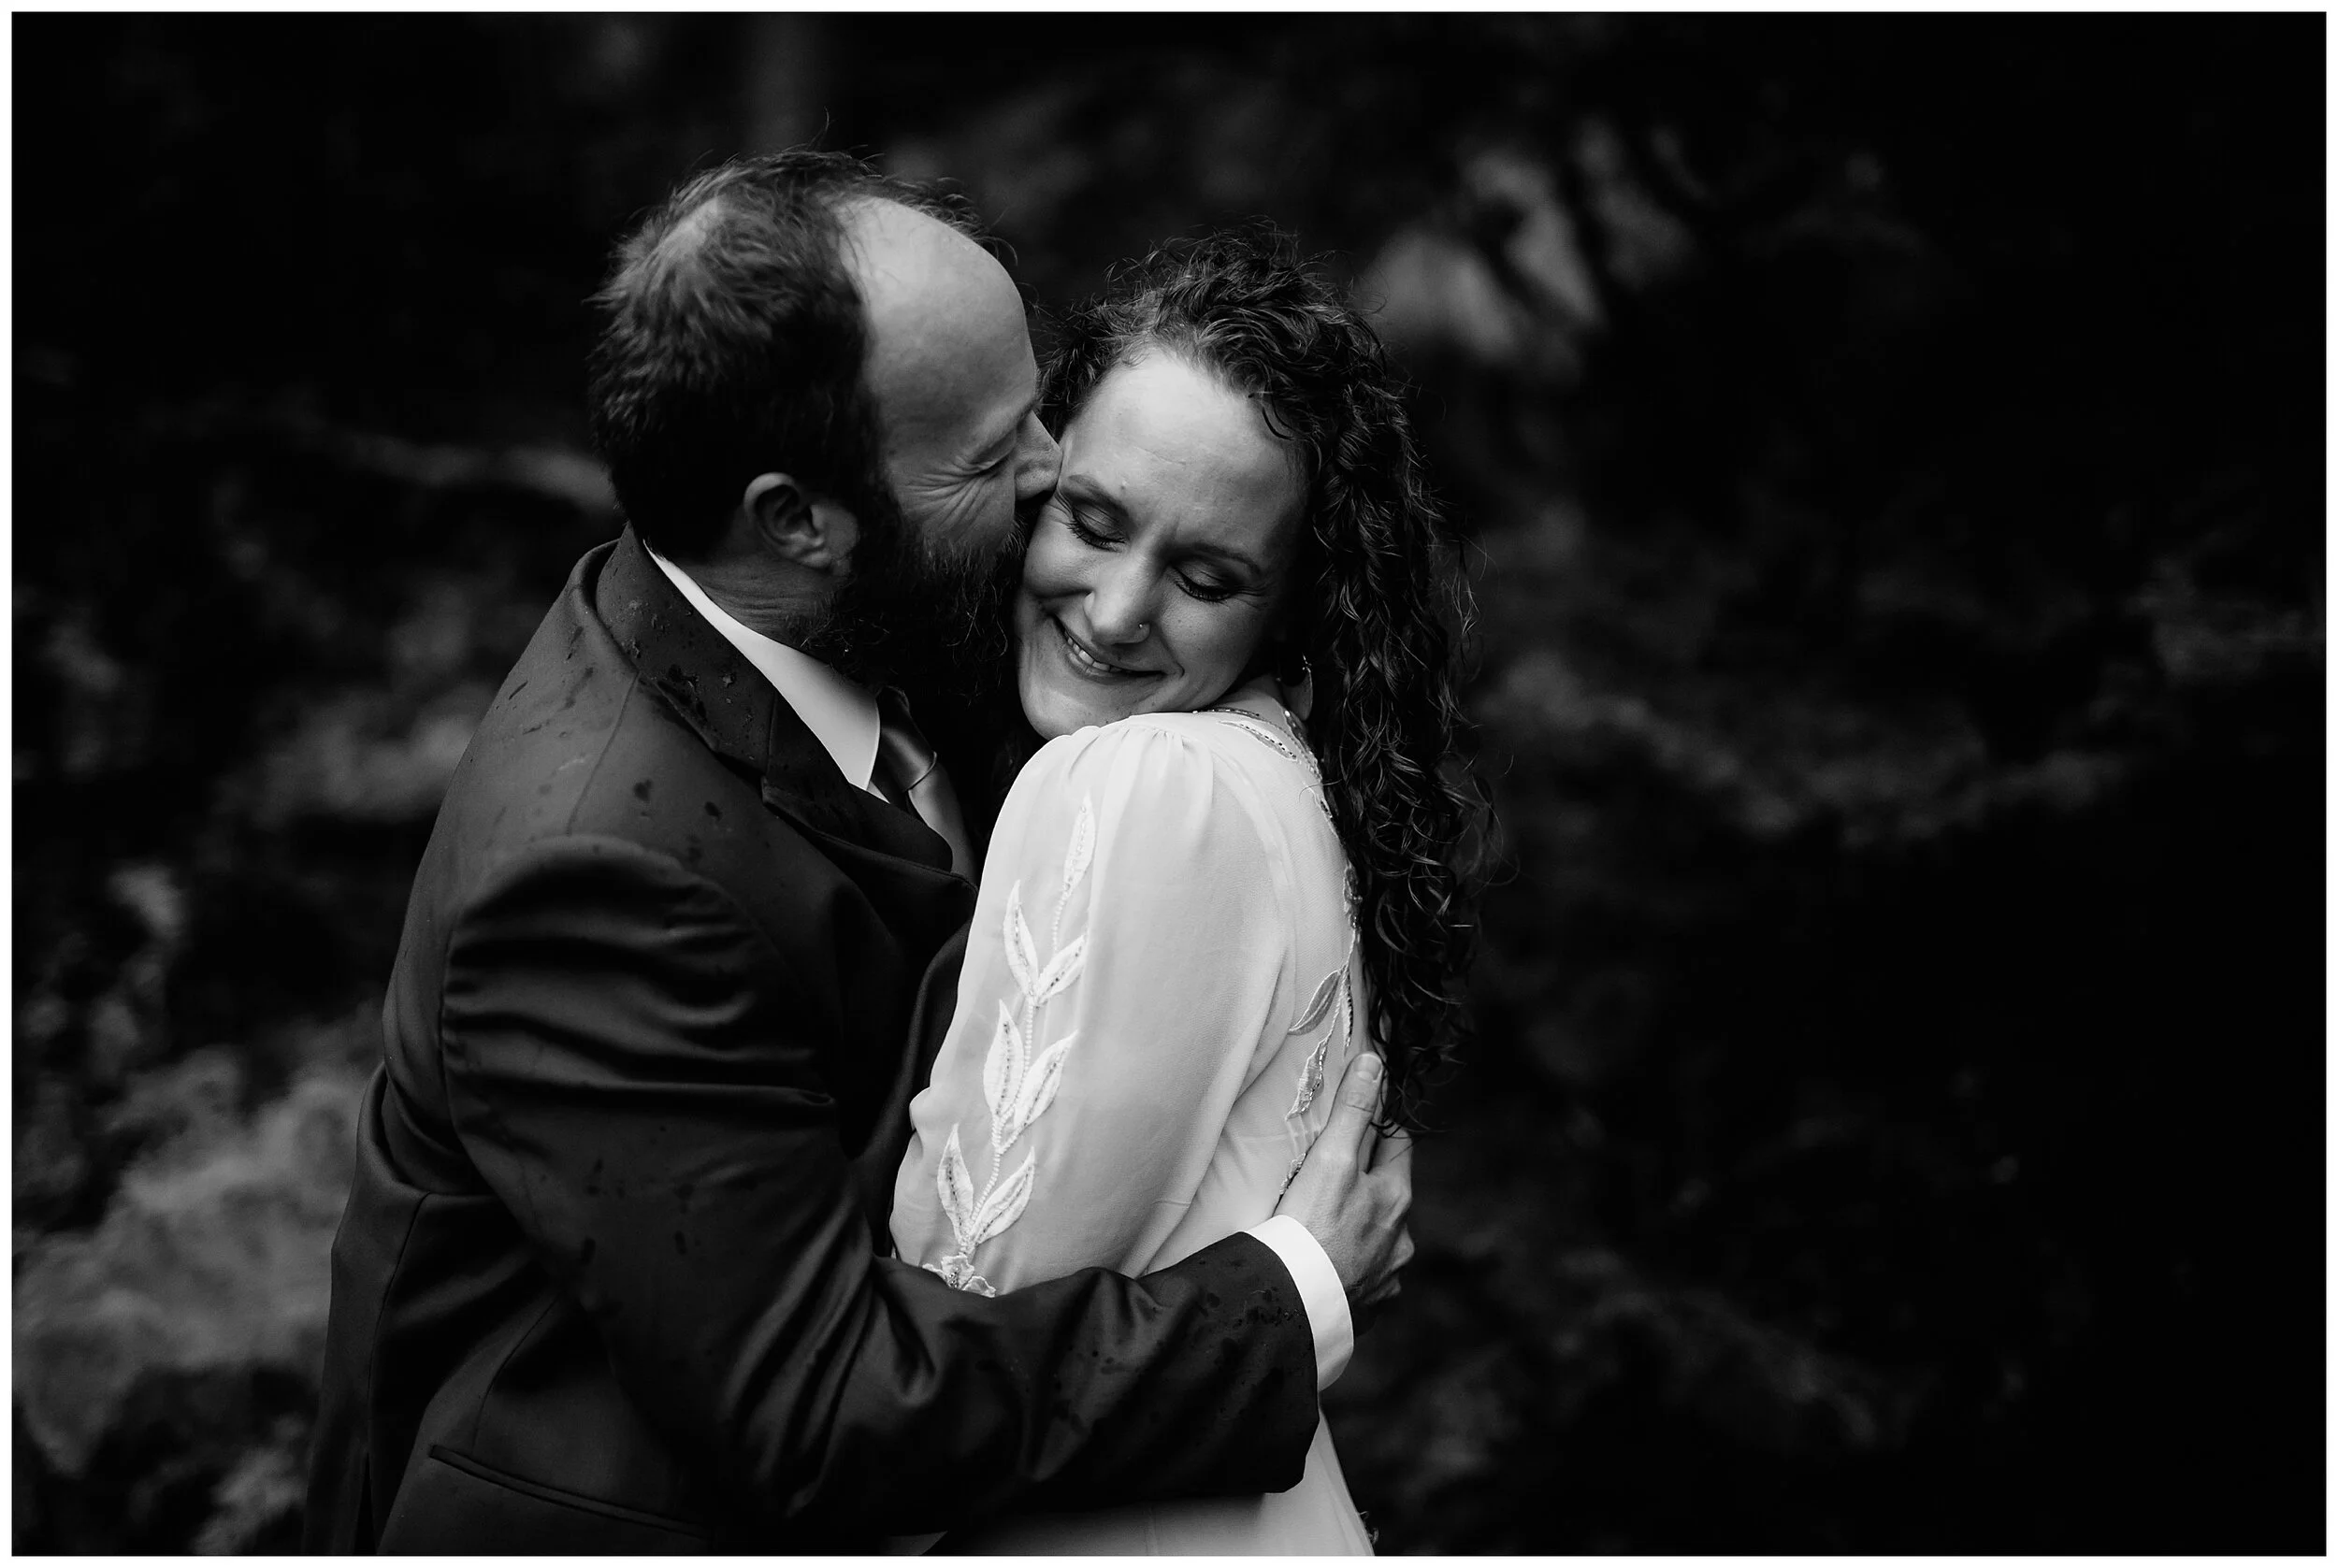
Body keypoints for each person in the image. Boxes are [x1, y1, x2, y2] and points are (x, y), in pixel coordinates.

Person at [301, 152, 1413, 1554]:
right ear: (798, 521)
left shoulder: (897, 617)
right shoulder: (598, 876)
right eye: (998, 446)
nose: (1056, 468)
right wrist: (1283, 1301)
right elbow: (814, 1409)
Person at [889, 228, 1480, 1553]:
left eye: (1206, 578)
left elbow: (964, 1319)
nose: (1112, 612)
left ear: (1287, 610)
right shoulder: (1284, 783)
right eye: (1090, 523)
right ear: (1032, 474)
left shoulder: (1143, 782)